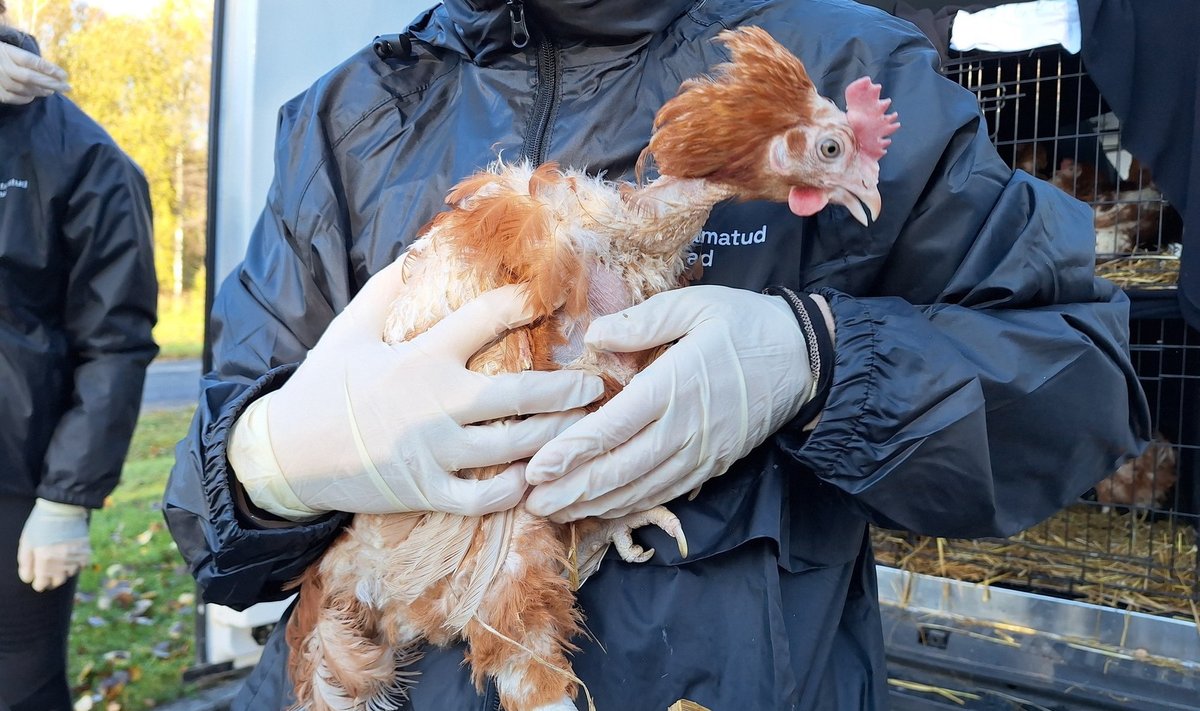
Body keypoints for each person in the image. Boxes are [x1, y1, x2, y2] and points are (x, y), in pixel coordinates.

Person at [155, 1, 1148, 709]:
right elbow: (213, 533)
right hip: (370, 668)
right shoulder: (357, 115)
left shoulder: (833, 54)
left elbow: (1081, 384)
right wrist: (274, 459)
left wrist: (826, 359)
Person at [0, 10, 158, 711]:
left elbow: (115, 339)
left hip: (18, 486)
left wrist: (66, 497)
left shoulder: (81, 153)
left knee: (21, 685)